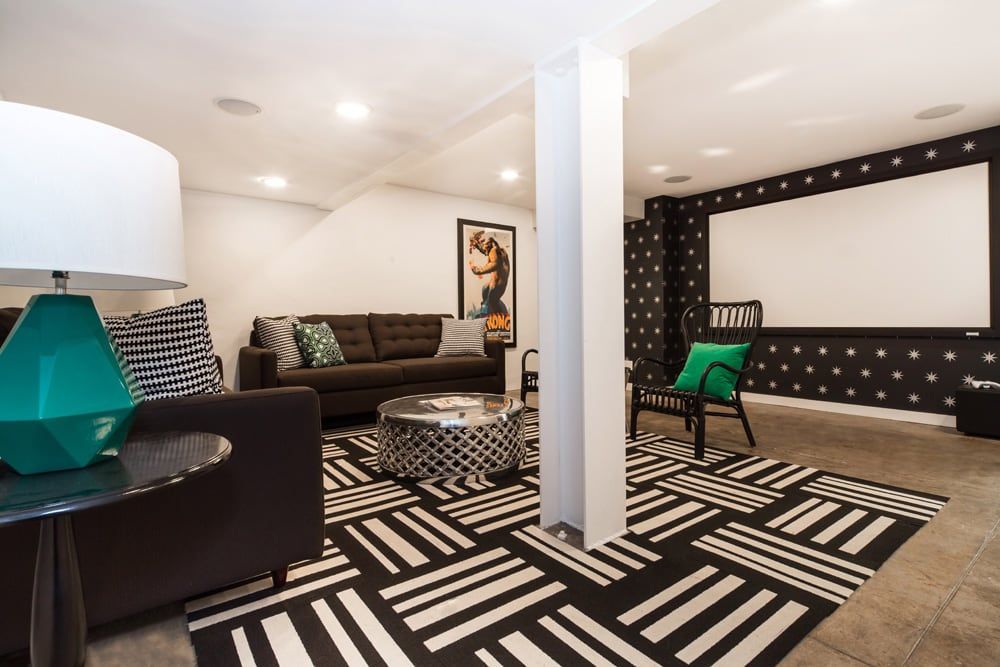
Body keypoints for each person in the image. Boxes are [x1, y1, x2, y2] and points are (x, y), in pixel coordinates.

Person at [468, 230, 510, 316]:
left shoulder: (495, 260)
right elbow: (486, 250)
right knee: (485, 288)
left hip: (497, 287)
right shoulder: (499, 251)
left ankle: (491, 314)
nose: (486, 252)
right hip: (496, 284)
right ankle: (487, 310)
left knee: (490, 300)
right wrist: (477, 245)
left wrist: (473, 267)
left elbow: (483, 269)